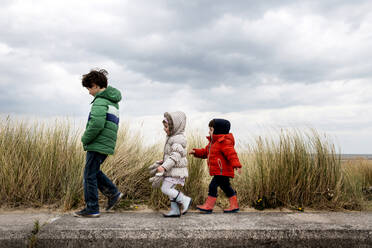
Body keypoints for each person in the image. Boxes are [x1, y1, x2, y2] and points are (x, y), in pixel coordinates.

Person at [74, 69, 123, 218]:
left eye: (89, 88)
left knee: (89, 175)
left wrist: (85, 139)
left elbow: (96, 123)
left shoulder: (100, 101)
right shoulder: (112, 102)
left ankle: (92, 208)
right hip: (105, 143)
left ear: (95, 85)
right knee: (93, 171)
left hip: (97, 143)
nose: (89, 92)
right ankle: (113, 193)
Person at [189, 118, 242, 213]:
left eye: (211, 130)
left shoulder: (224, 142)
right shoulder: (212, 143)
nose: (209, 132)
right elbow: (205, 152)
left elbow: (232, 154)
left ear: (218, 130)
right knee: (225, 187)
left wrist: (237, 165)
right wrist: (195, 152)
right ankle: (234, 205)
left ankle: (209, 206)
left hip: (222, 171)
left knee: (212, 186)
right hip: (220, 171)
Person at [149, 111, 192, 217]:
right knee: (170, 190)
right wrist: (163, 161)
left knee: (165, 189)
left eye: (167, 127)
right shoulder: (172, 138)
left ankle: (185, 200)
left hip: (175, 171)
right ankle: (175, 210)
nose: (164, 129)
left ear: (175, 127)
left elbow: (175, 156)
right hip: (173, 170)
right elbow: (171, 155)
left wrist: (164, 166)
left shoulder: (178, 139)